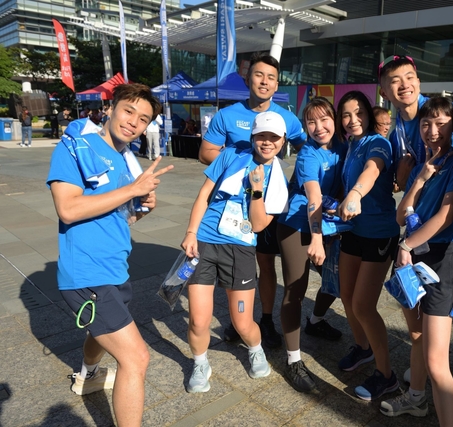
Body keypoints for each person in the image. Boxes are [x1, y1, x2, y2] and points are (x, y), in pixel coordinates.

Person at [46, 83, 173, 427]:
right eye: (128, 111)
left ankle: (88, 375)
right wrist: (132, 189)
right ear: (110, 108)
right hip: (87, 274)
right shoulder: (75, 145)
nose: (134, 122)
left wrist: (142, 207)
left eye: (143, 119)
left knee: (98, 332)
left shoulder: (123, 159)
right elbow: (68, 209)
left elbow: (119, 219)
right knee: (137, 358)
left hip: (115, 268)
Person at [199, 52, 307, 349]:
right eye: (259, 75)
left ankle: (266, 319)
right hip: (231, 208)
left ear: (277, 84)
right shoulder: (227, 115)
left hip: (266, 204)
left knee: (266, 263)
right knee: (234, 262)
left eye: (271, 77)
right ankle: (239, 320)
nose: (265, 81)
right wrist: (238, 163)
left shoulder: (286, 118)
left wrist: (291, 182)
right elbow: (205, 152)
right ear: (248, 79)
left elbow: (306, 150)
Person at [181, 111, 291, 392]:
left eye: (273, 137)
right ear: (253, 137)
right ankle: (200, 363)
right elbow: (204, 194)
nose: (267, 142)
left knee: (242, 322)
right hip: (205, 242)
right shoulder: (230, 155)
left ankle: (255, 349)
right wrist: (191, 232)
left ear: (282, 141)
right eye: (261, 136)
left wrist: (256, 189)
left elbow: (258, 225)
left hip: (240, 249)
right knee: (198, 321)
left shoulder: (278, 182)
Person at [381, 97, 453, 423]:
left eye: (441, 124)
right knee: (417, 336)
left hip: (438, 259)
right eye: (426, 124)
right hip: (411, 258)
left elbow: (445, 217)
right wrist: (419, 178)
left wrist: (406, 245)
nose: (432, 131)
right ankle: (416, 399)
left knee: (436, 361)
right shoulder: (427, 162)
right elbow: (400, 215)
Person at [277, 97, 346, 393]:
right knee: (296, 289)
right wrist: (316, 238)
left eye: (324, 119)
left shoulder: (343, 146)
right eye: (311, 122)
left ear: (334, 119)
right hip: (296, 224)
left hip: (328, 224)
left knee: (336, 280)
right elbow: (314, 199)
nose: (319, 127)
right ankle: (293, 360)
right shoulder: (307, 154)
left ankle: (316, 321)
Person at [335, 90, 400, 401]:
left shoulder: (378, 142)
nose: (353, 120)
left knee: (363, 305)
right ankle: (363, 348)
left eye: (358, 112)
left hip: (379, 232)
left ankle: (387, 376)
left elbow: (372, 170)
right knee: (347, 296)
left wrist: (356, 193)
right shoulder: (352, 144)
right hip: (353, 230)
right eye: (346, 115)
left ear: (369, 114)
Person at [377, 55, 453, 191]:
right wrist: (401, 181)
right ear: (384, 94)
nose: (405, 85)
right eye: (395, 81)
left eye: (409, 77)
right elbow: (400, 186)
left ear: (418, 82)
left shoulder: (452, 113)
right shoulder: (396, 137)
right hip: (423, 203)